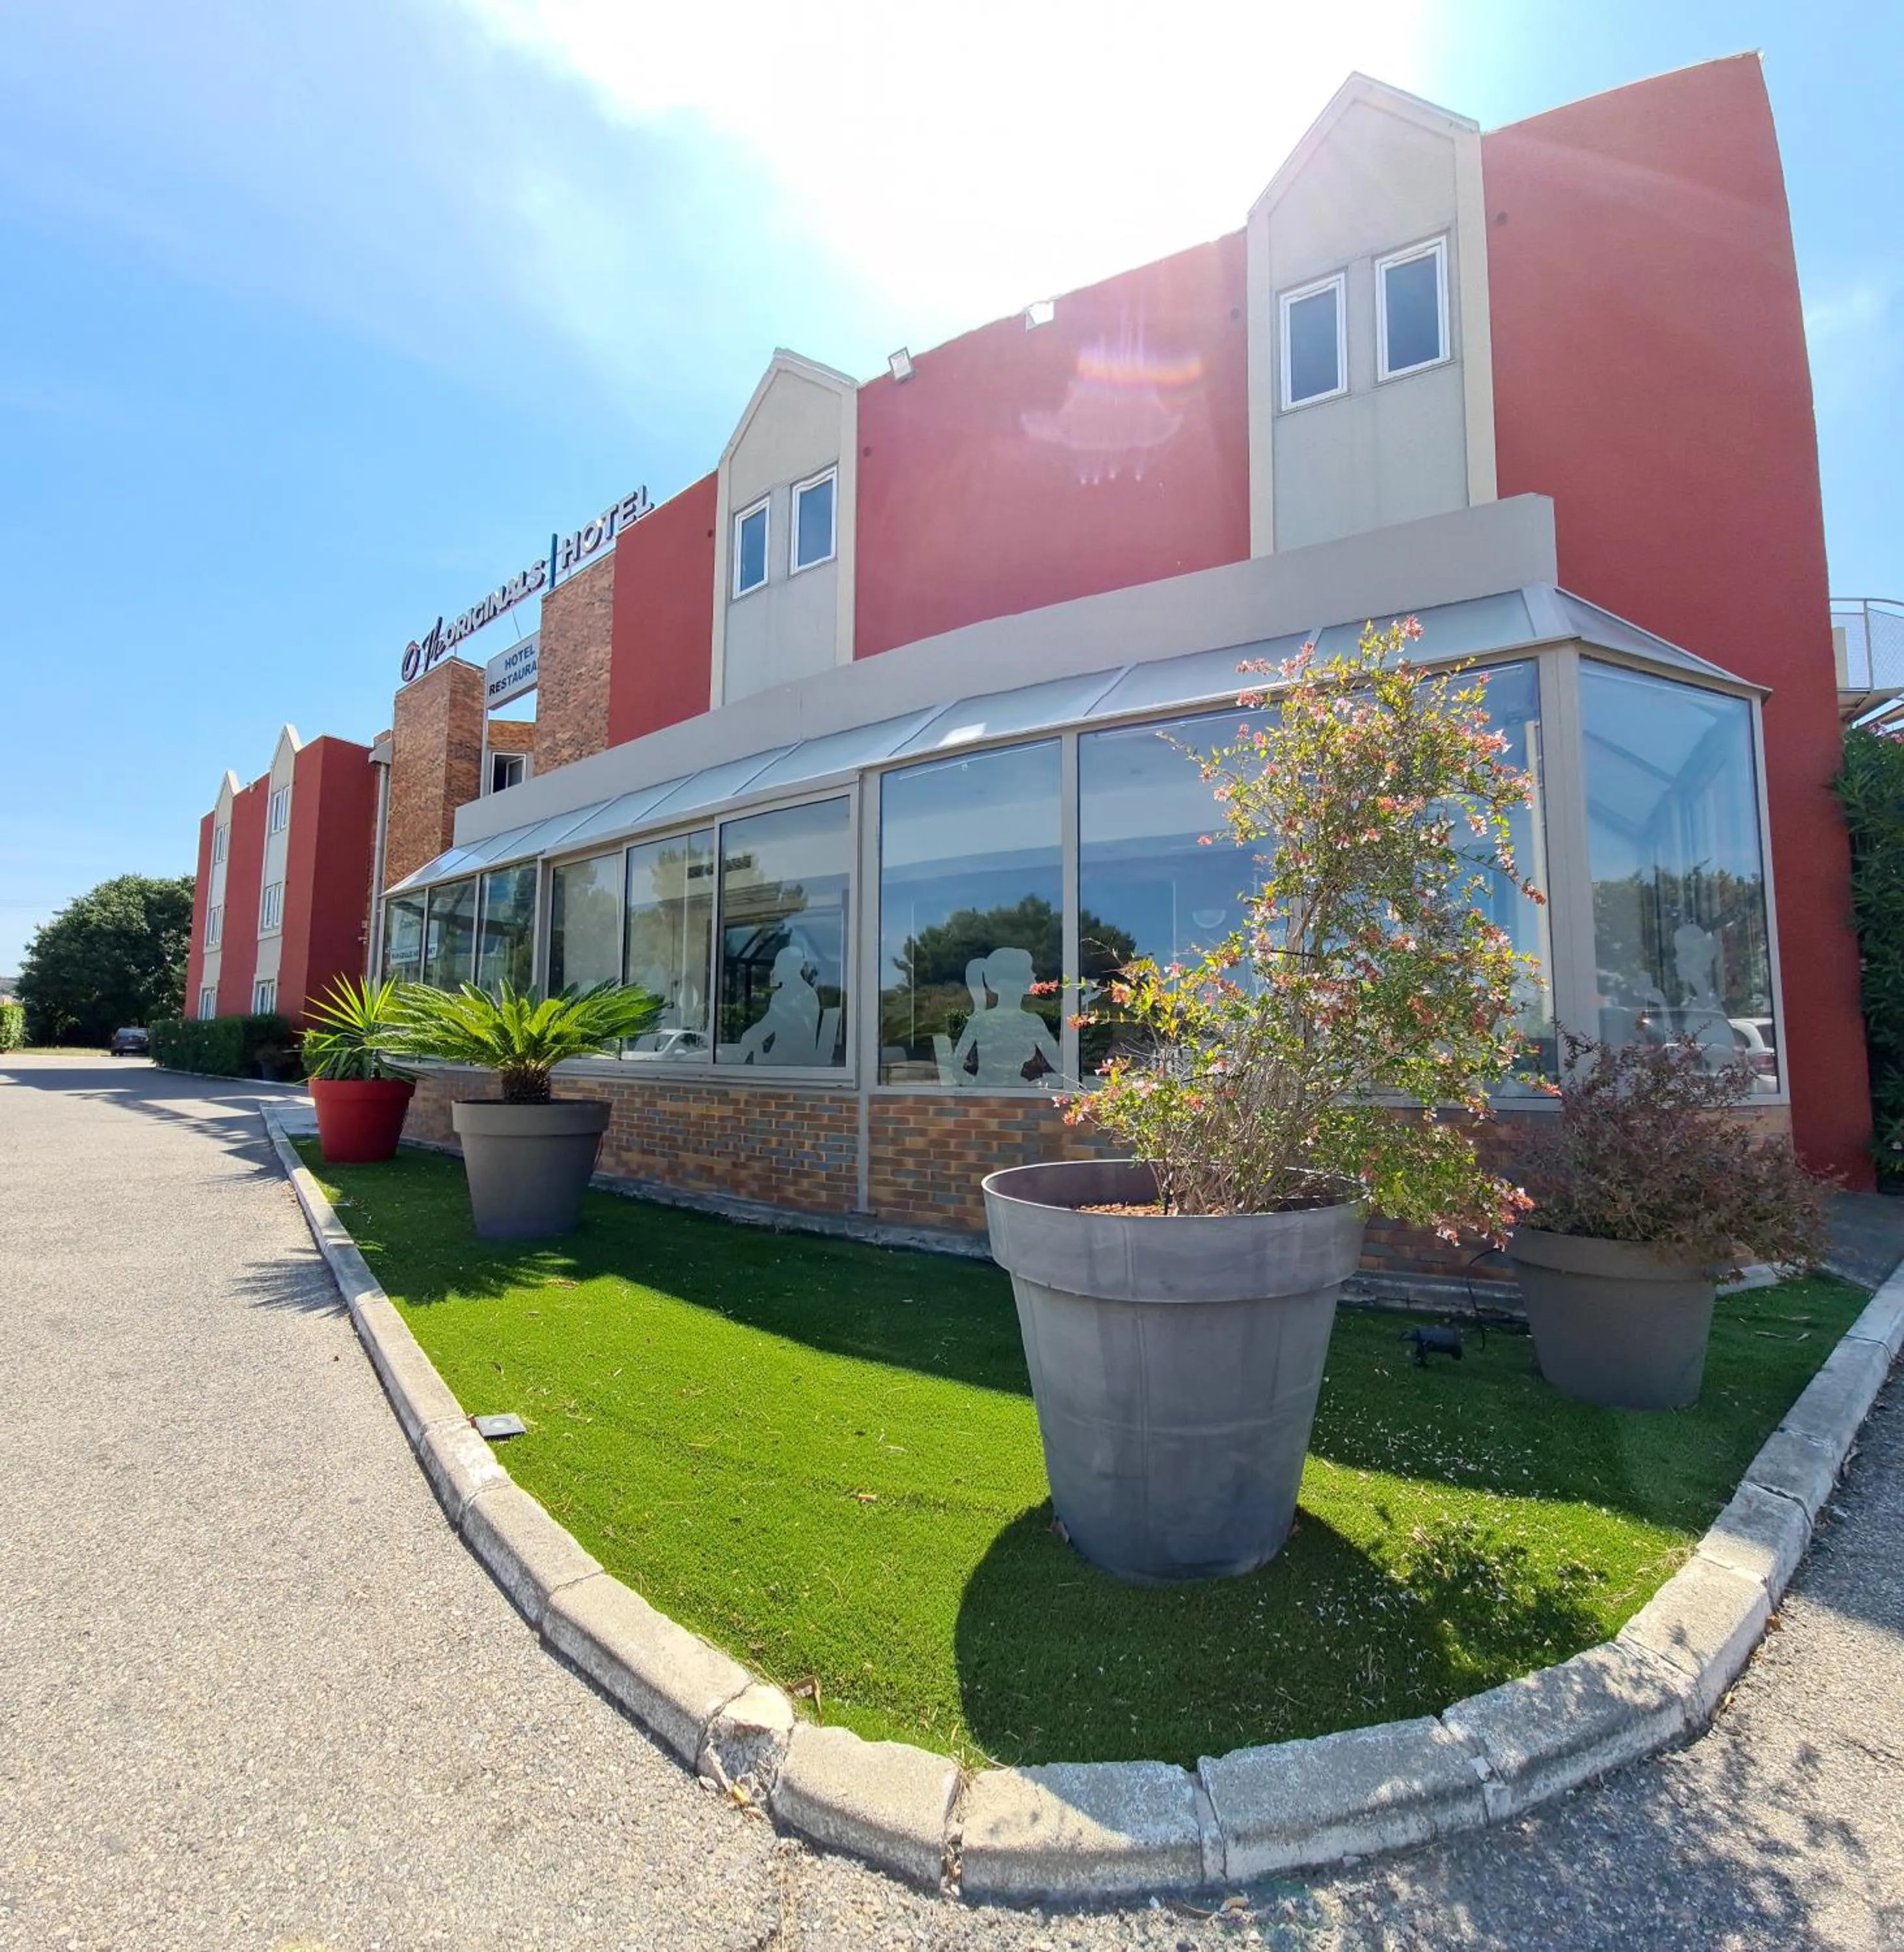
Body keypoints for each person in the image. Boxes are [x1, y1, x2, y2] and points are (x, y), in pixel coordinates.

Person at [948, 945, 1060, 1086]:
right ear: (1010, 981)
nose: (1034, 975)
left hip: (1018, 1095)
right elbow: (957, 1067)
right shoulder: (1030, 1022)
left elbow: (1059, 1068)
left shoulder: (1032, 1021)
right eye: (1029, 971)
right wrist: (979, 1087)